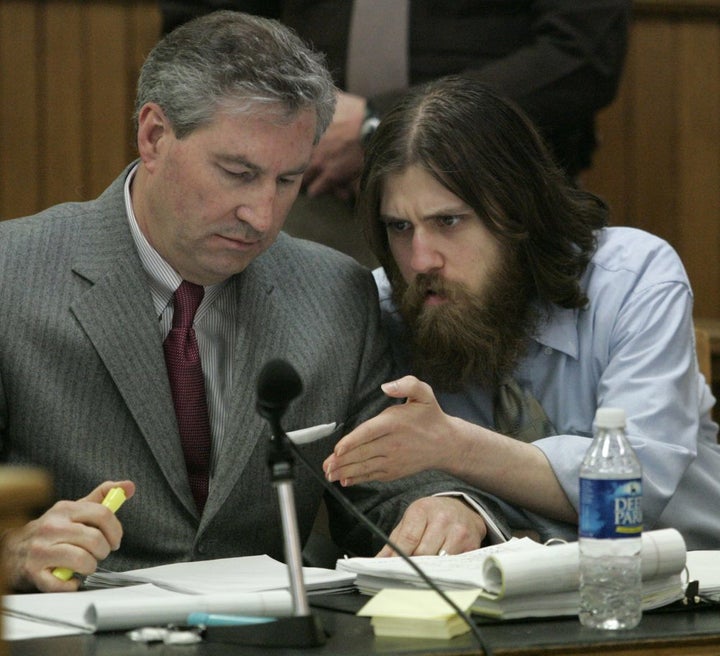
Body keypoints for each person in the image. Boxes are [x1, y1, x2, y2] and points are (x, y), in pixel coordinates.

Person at [0, 14, 508, 593]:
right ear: (154, 136)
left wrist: (443, 509)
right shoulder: (11, 275)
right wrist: (12, 550)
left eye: (288, 180)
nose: (262, 216)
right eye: (237, 174)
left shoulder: (333, 292)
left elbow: (383, 492)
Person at [322, 76, 720, 550]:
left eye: (448, 221)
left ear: (518, 211)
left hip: (684, 585)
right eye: (400, 227)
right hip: (501, 600)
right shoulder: (383, 305)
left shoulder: (633, 277)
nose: (421, 258)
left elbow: (626, 498)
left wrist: (454, 446)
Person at [158, 1, 632, 265]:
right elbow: (204, 26)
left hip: (491, 194)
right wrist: (288, 114)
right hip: (305, 188)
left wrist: (380, 124)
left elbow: (582, 57)